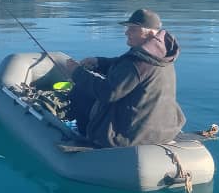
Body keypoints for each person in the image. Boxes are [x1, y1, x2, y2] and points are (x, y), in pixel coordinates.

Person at [64, 8, 185, 148]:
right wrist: (99, 62)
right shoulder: (162, 55)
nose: (126, 32)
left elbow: (108, 93)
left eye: (133, 29)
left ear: (150, 33)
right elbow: (126, 69)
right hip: (164, 131)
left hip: (131, 136)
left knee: (81, 92)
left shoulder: (137, 62)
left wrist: (76, 72)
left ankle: (85, 136)